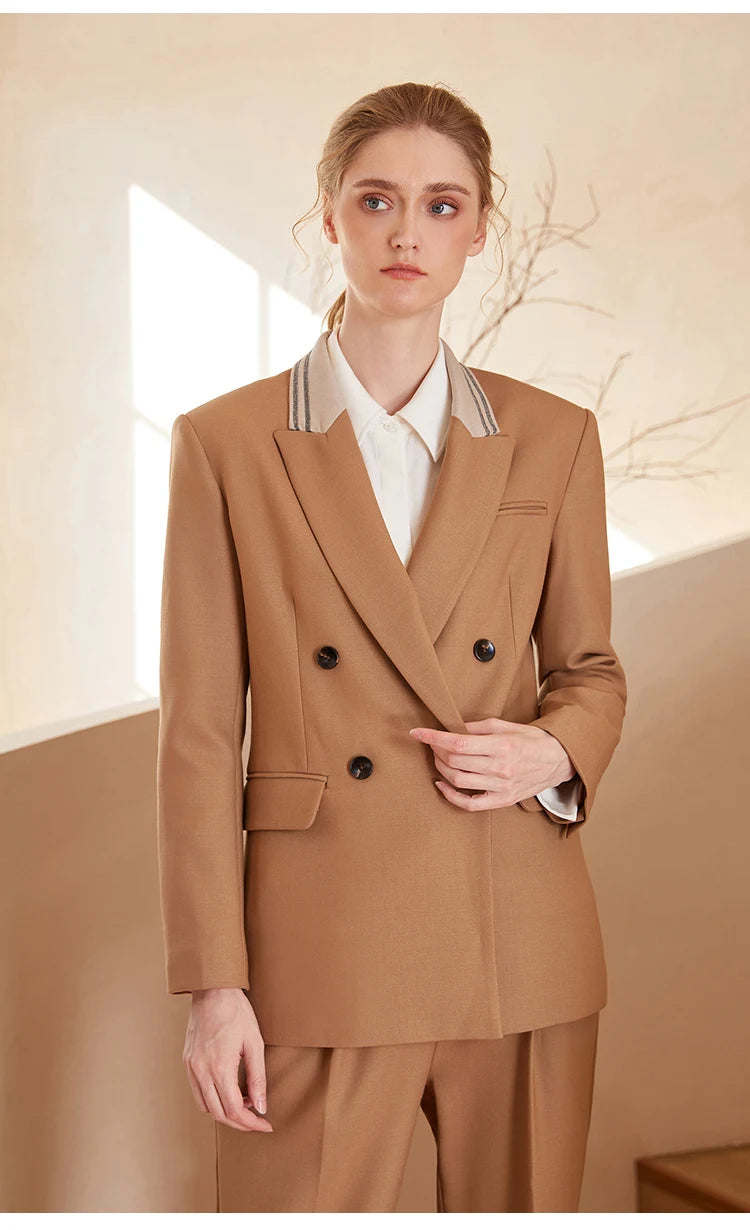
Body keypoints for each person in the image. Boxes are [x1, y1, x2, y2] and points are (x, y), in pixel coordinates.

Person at [156, 81, 627, 1213]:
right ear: (329, 216)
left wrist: (551, 757)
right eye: (376, 199)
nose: (407, 232)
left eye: (442, 204)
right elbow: (200, 735)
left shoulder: (552, 437)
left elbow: (590, 675)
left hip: (517, 930)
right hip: (317, 947)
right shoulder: (226, 444)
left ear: (479, 228)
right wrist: (216, 986)